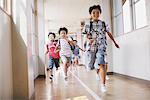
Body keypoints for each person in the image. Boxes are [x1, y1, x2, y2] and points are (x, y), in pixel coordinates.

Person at [82, 5, 119, 92]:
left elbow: (109, 33)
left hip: (101, 46)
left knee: (101, 63)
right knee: (92, 64)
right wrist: (88, 40)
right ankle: (96, 71)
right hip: (91, 48)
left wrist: (115, 42)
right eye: (93, 12)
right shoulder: (87, 25)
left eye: (98, 12)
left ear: (100, 13)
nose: (96, 14)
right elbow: (85, 35)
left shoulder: (103, 24)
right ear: (90, 14)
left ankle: (103, 84)